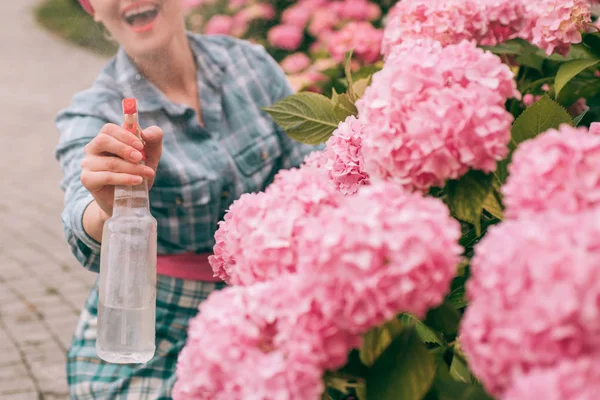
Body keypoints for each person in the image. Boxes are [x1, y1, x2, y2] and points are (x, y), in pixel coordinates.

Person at [55, 0, 318, 398]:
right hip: (152, 332)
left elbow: (313, 177)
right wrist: (108, 207)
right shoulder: (92, 115)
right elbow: (81, 223)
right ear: (91, 7)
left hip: (271, 307)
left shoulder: (252, 65)